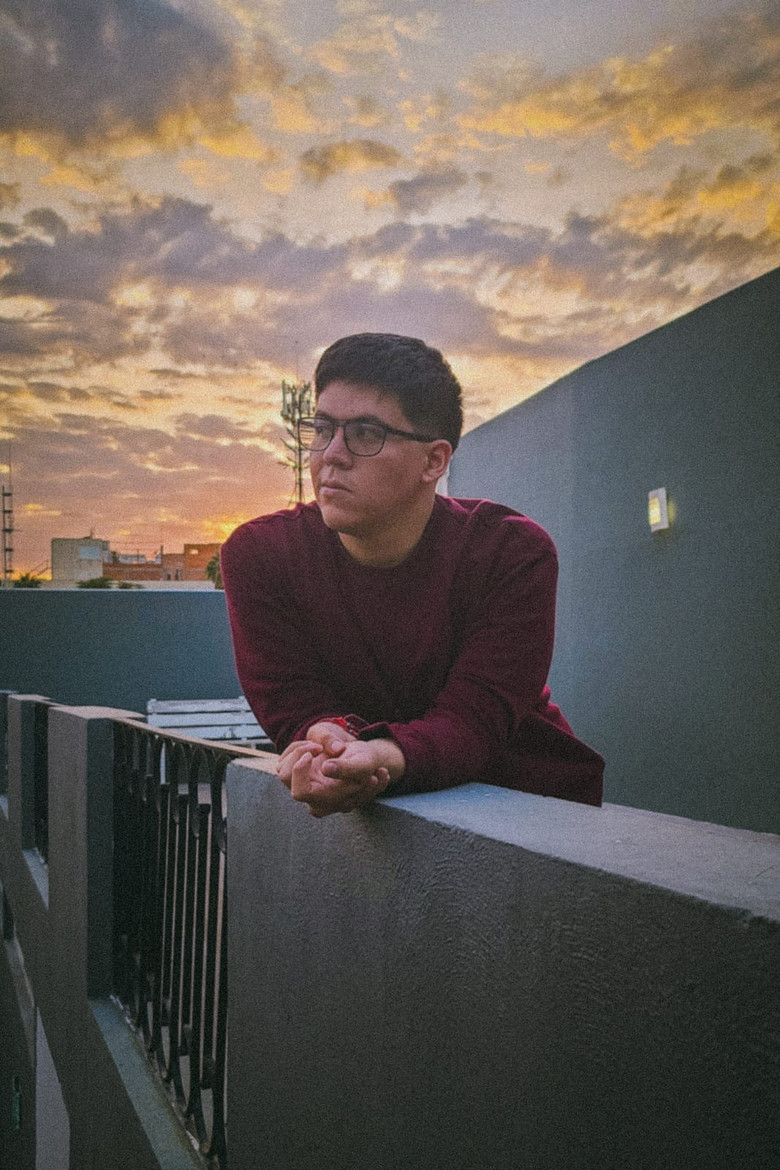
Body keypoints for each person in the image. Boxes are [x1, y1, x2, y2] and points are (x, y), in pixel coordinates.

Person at [221, 333, 604, 817]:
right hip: (374, 830)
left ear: (434, 461)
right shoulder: (261, 556)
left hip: (525, 811)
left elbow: (475, 718)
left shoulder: (510, 553)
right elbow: (293, 702)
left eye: (365, 434)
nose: (330, 454)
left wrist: (384, 756)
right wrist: (326, 740)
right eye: (322, 429)